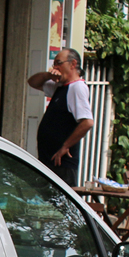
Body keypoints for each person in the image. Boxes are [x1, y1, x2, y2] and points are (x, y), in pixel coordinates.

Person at [28, 48, 94, 187]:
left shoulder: (77, 88)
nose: (55, 67)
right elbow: (33, 82)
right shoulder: (61, 86)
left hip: (61, 163)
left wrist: (65, 146)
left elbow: (87, 122)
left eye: (59, 63)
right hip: (49, 159)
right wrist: (48, 75)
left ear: (73, 64)